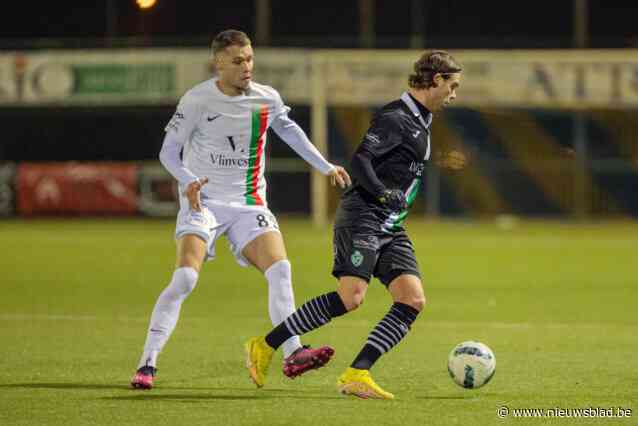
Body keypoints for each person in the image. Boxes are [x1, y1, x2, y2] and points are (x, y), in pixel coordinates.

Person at [131, 29, 351, 389]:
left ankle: (293, 352)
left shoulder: (266, 98)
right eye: (237, 61)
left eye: (249, 59)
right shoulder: (197, 100)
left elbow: (289, 130)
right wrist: (187, 180)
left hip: (249, 204)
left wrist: (325, 165)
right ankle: (148, 363)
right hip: (204, 201)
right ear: (219, 63)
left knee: (281, 269)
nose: (246, 66)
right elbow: (168, 152)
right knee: (185, 278)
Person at [245, 50, 462, 399]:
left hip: (391, 226)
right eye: (452, 86)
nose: (454, 94)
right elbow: (361, 160)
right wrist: (381, 192)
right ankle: (265, 345)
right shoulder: (396, 116)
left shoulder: (421, 119)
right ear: (435, 80)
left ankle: (357, 372)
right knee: (351, 298)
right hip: (363, 215)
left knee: (412, 299)